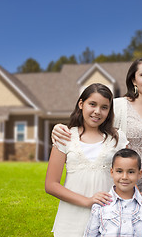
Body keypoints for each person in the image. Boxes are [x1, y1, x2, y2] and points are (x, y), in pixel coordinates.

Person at [52, 57, 142, 192]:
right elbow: (90, 122)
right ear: (133, 80)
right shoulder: (117, 106)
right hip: (119, 188)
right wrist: (58, 128)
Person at [45, 83, 129, 237]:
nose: (97, 111)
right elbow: (51, 185)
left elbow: (129, 176)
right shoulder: (65, 137)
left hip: (108, 218)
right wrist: (88, 201)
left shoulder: (118, 138)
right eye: (92, 104)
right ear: (81, 104)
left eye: (104, 107)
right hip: (71, 219)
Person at [84, 148, 142, 237]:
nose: (124, 177)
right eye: (119, 171)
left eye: (131, 172)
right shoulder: (101, 205)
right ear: (112, 172)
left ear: (139, 174)